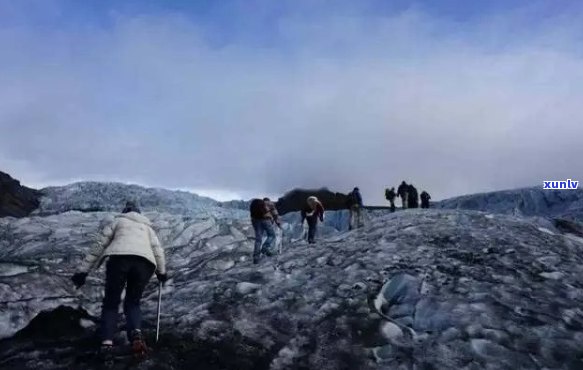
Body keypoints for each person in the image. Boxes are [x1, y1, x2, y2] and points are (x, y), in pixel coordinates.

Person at [70, 201, 167, 361]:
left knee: (111, 303)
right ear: (139, 213)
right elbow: (158, 251)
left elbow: (99, 246)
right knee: (133, 302)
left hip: (119, 260)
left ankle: (107, 343)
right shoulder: (148, 229)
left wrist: (83, 271)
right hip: (145, 264)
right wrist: (162, 272)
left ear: (125, 212)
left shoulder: (117, 222)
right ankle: (136, 334)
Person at [249, 198, 276, 264]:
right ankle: (265, 248)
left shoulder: (254, 203)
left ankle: (256, 257)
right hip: (265, 220)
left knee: (258, 239)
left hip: (255, 220)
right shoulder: (267, 203)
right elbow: (272, 213)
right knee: (272, 235)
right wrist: (273, 220)